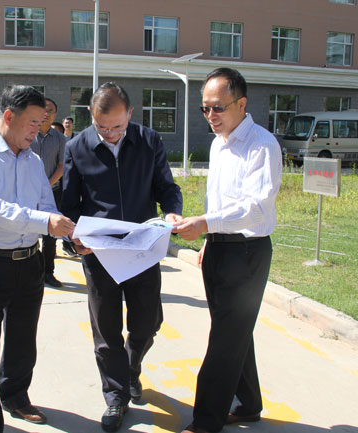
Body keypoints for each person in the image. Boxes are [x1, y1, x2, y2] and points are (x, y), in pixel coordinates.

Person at [61, 82, 183, 432]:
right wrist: (74, 239)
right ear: (91, 116)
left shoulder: (148, 141)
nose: (110, 134)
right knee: (106, 329)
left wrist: (172, 212)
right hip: (99, 254)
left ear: (130, 113)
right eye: (102, 127)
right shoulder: (77, 147)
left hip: (142, 250)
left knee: (148, 322)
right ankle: (116, 396)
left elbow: (166, 187)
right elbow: (69, 203)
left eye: (117, 126)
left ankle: (130, 369)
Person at [0, 85, 75, 433]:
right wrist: (45, 222)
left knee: (23, 343)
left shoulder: (33, 160)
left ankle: (15, 396)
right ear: (9, 117)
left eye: (43, 122)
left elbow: (46, 204)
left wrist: (69, 234)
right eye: (34, 122)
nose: (39, 130)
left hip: (28, 264)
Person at [172, 68, 282, 433]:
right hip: (219, 249)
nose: (210, 115)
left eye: (217, 107)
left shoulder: (262, 145)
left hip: (247, 254)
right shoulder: (219, 144)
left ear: (241, 103)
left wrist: (204, 224)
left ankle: (206, 421)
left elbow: (256, 208)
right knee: (232, 331)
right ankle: (248, 403)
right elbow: (218, 199)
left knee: (224, 341)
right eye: (204, 108)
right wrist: (209, 240)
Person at [30, 97, 67, 288]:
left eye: (50, 111)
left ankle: (48, 273)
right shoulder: (28, 134)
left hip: (52, 192)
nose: (46, 113)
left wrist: (45, 185)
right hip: (27, 192)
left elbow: (62, 166)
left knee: (50, 237)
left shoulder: (60, 139)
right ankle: (31, 272)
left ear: (55, 115)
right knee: (27, 233)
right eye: (43, 109)